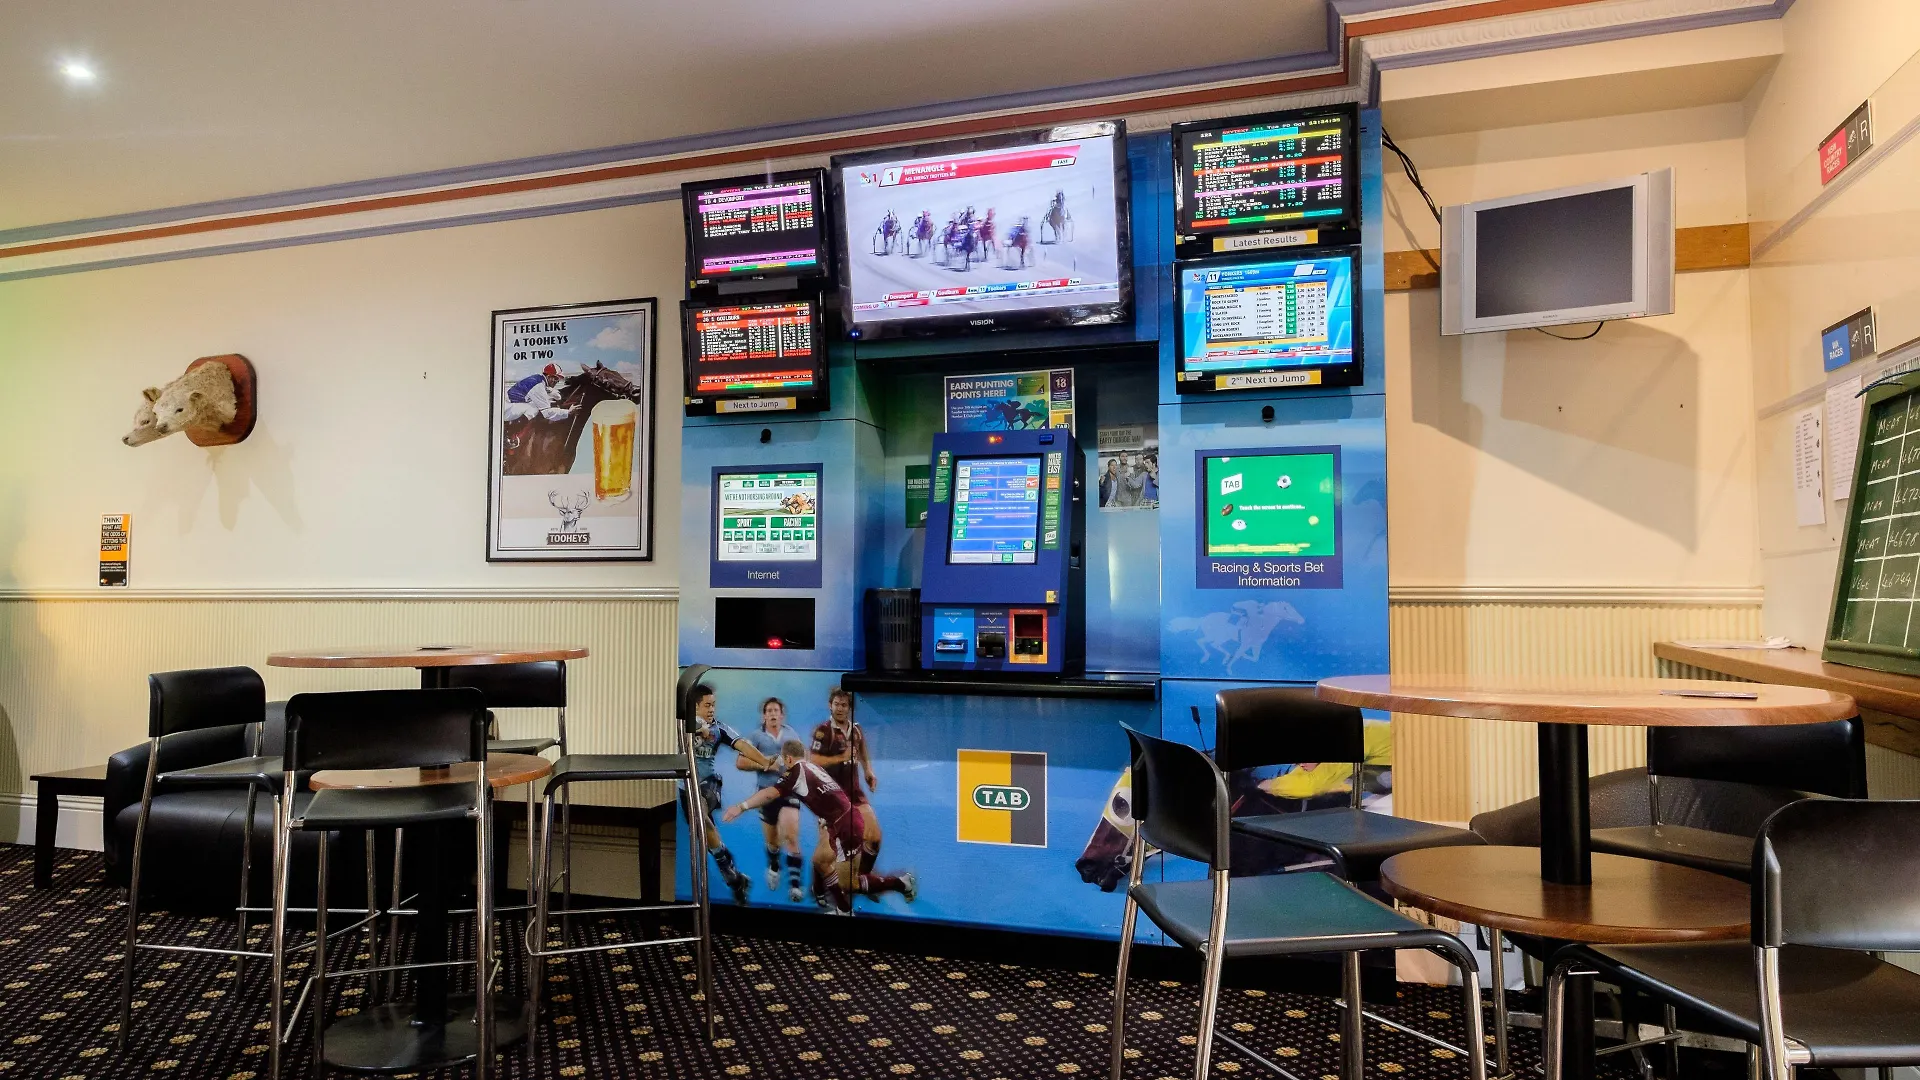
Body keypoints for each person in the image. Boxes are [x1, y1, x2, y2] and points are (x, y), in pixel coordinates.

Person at [723, 739, 915, 915]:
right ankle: (843, 909)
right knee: (820, 861)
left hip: (845, 828)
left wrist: (741, 806)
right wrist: (826, 816)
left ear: (788, 759)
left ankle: (900, 883)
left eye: (785, 761)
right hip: (842, 822)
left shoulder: (795, 772)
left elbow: (769, 794)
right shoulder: (812, 767)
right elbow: (830, 795)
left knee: (849, 884)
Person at [684, 683, 768, 905]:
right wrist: (698, 727)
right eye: (707, 705)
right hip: (686, 788)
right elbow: (688, 726)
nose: (712, 709)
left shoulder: (720, 729)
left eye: (714, 705)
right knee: (706, 834)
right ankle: (734, 877)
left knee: (700, 810)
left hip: (708, 785)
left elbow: (743, 745)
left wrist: (764, 761)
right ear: (695, 707)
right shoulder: (683, 723)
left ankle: (727, 867)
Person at [807, 688, 878, 909]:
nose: (839, 708)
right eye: (836, 704)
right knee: (826, 854)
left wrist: (868, 771)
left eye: (844, 705)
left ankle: (860, 879)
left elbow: (862, 748)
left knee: (874, 837)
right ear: (830, 705)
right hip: (832, 800)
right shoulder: (823, 731)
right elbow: (813, 760)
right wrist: (841, 757)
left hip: (855, 794)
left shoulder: (856, 729)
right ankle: (818, 887)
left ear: (850, 708)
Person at [737, 697, 804, 902]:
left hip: (788, 791)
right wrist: (765, 764)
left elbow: (802, 759)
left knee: (791, 835)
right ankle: (774, 865)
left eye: (776, 711)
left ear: (782, 715)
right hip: (766, 793)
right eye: (769, 711)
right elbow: (740, 762)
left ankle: (795, 886)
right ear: (764, 716)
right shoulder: (756, 737)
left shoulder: (791, 734)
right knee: (773, 842)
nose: (773, 714)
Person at [503, 363, 575, 423]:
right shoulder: (538, 386)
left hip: (510, 403)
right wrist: (568, 412)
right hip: (508, 409)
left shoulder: (539, 379)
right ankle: (516, 430)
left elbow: (558, 397)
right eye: (556, 378)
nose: (557, 381)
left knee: (538, 404)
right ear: (549, 377)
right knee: (534, 409)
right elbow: (547, 413)